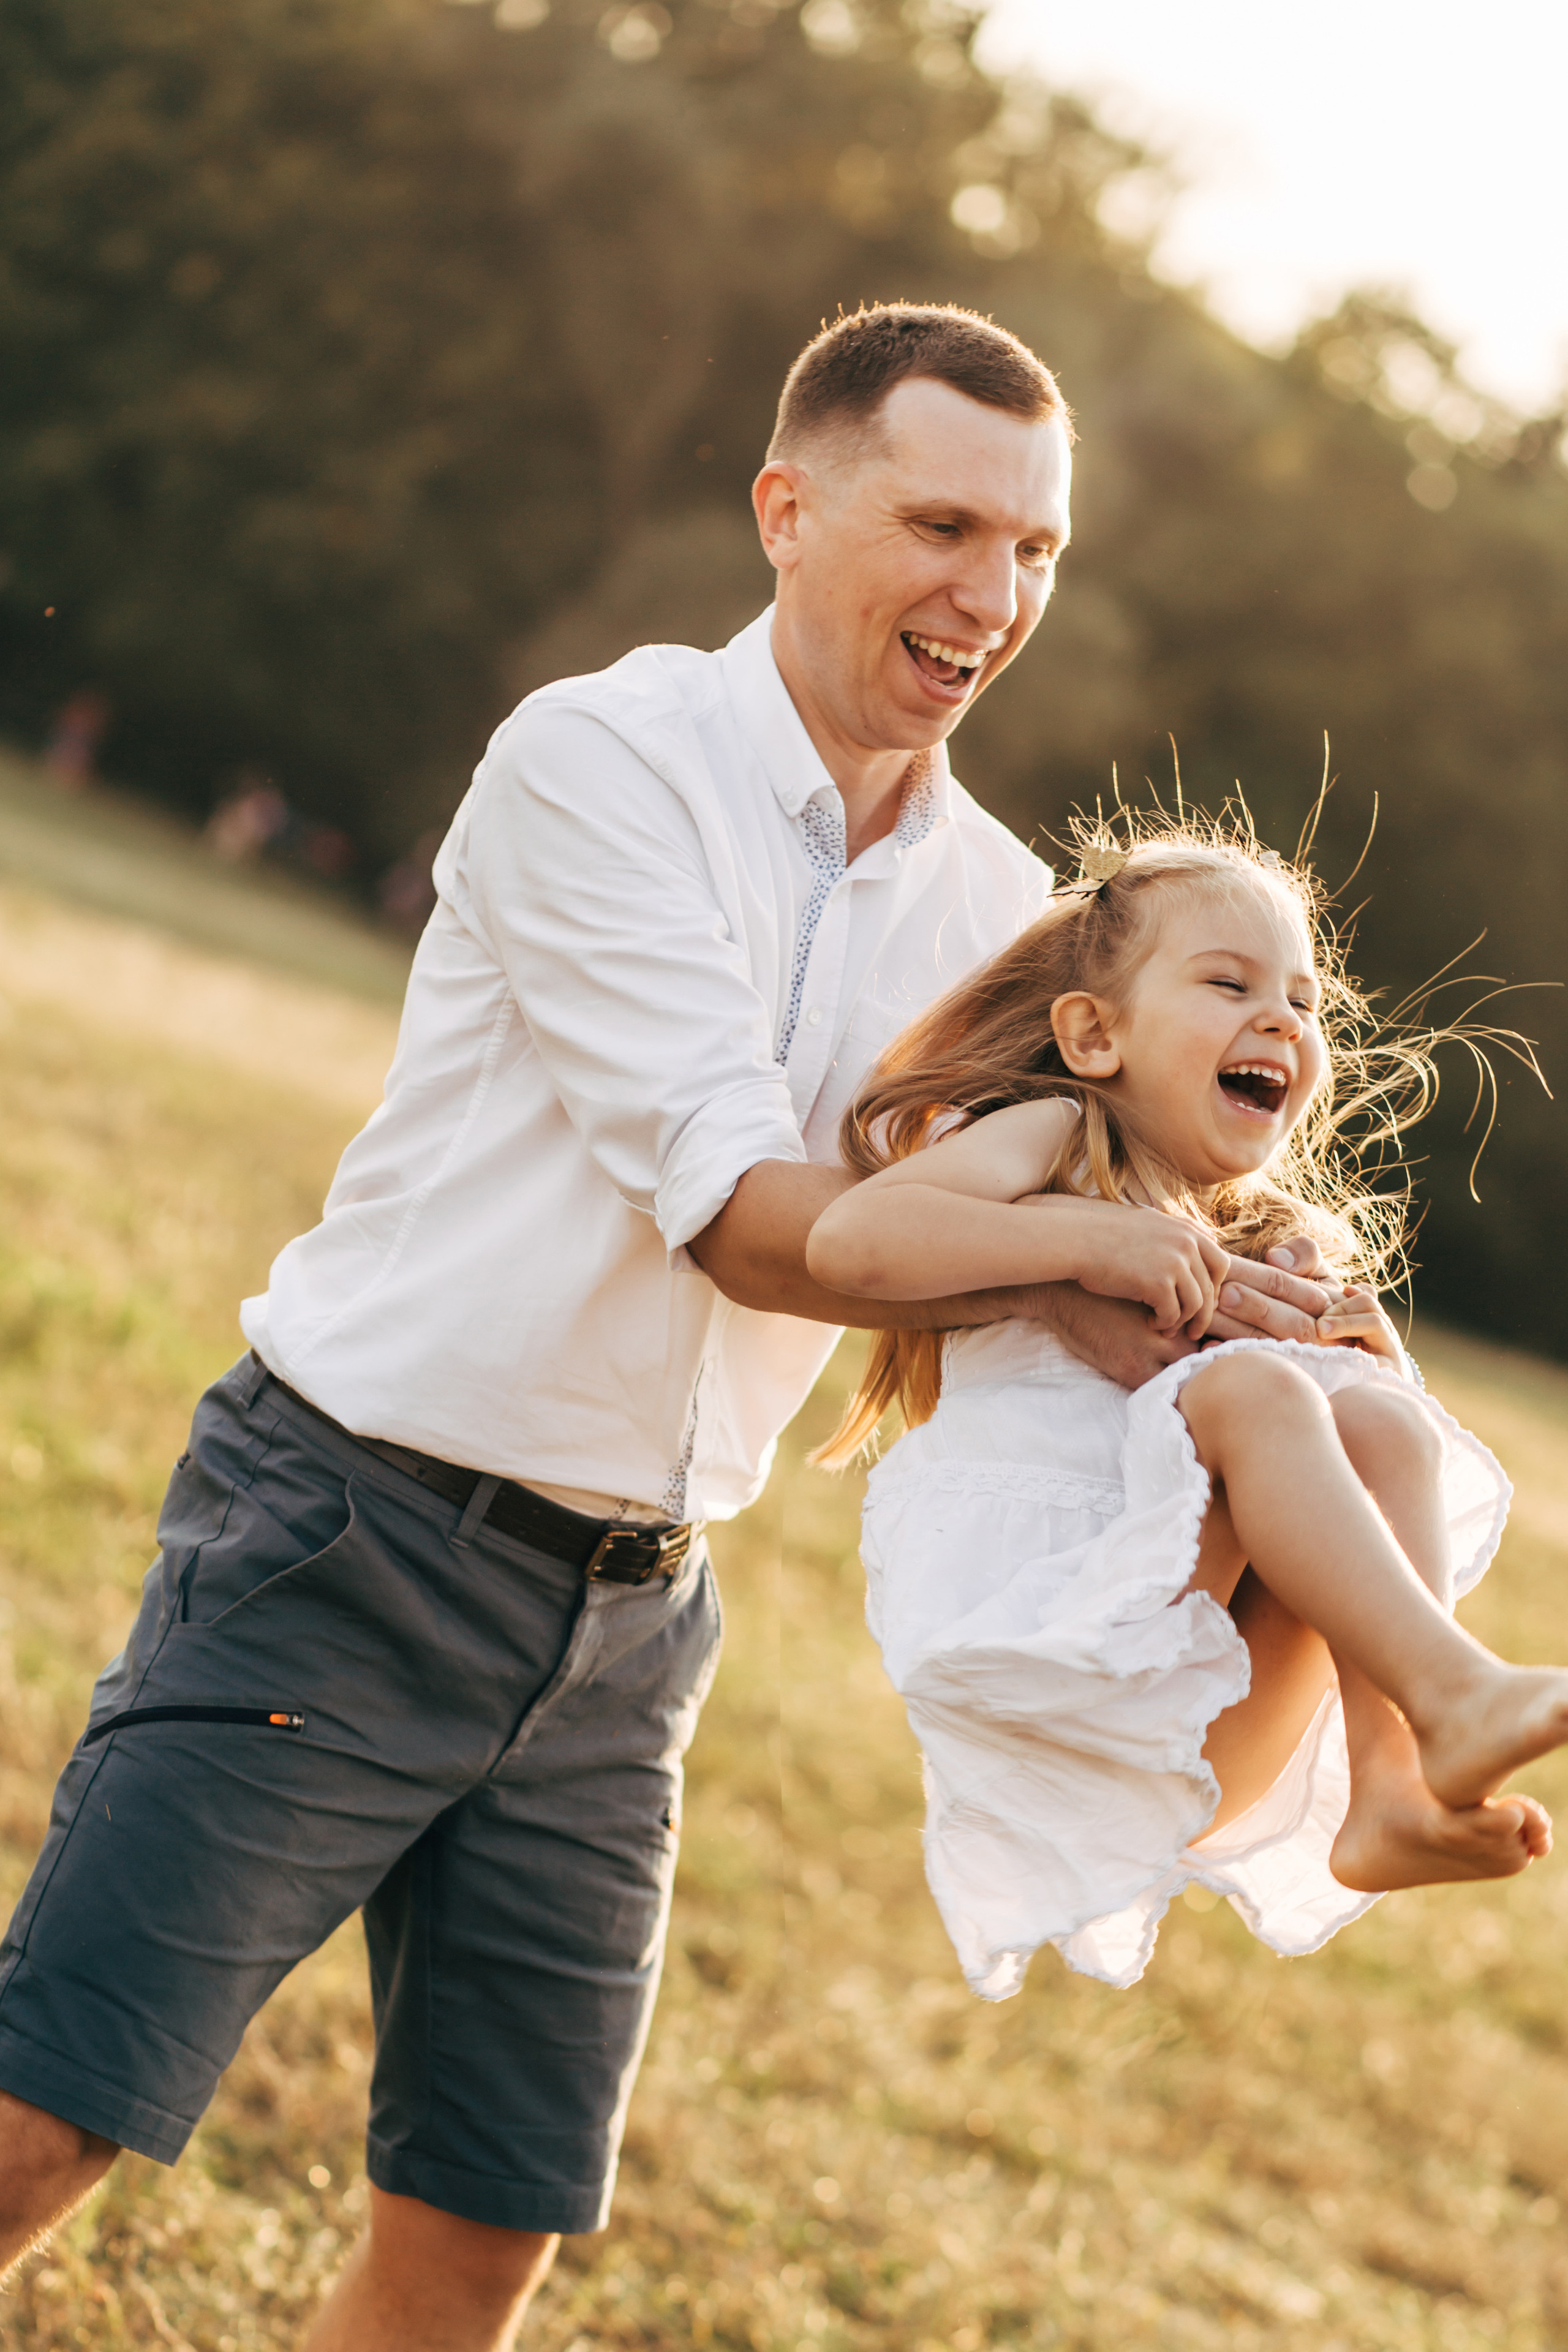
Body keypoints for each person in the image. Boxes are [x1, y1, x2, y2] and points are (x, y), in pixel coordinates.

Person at [0, 306, 1334, 2350]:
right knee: (49, 2117)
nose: (994, 597)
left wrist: (1254, 1292)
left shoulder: (1002, 909)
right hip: (348, 1541)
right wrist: (1088, 1258)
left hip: (634, 1628)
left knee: (477, 2235)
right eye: (946, 523)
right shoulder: (598, 764)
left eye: (1039, 550)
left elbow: (1096, 1221)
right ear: (788, 512)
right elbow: (751, 1224)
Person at [806, 824, 1563, 1997]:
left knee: (1383, 1421)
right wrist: (1094, 1235)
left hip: (1203, 1702)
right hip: (1040, 1631)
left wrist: (1367, 1369)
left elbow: (1342, 1467)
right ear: (1094, 1034)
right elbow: (850, 1243)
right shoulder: (1065, 1138)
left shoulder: (1268, 1240)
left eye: (1304, 1002)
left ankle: (1396, 1787)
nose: (1283, 1021)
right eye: (1230, 984)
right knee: (1254, 1387)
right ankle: (1456, 1690)